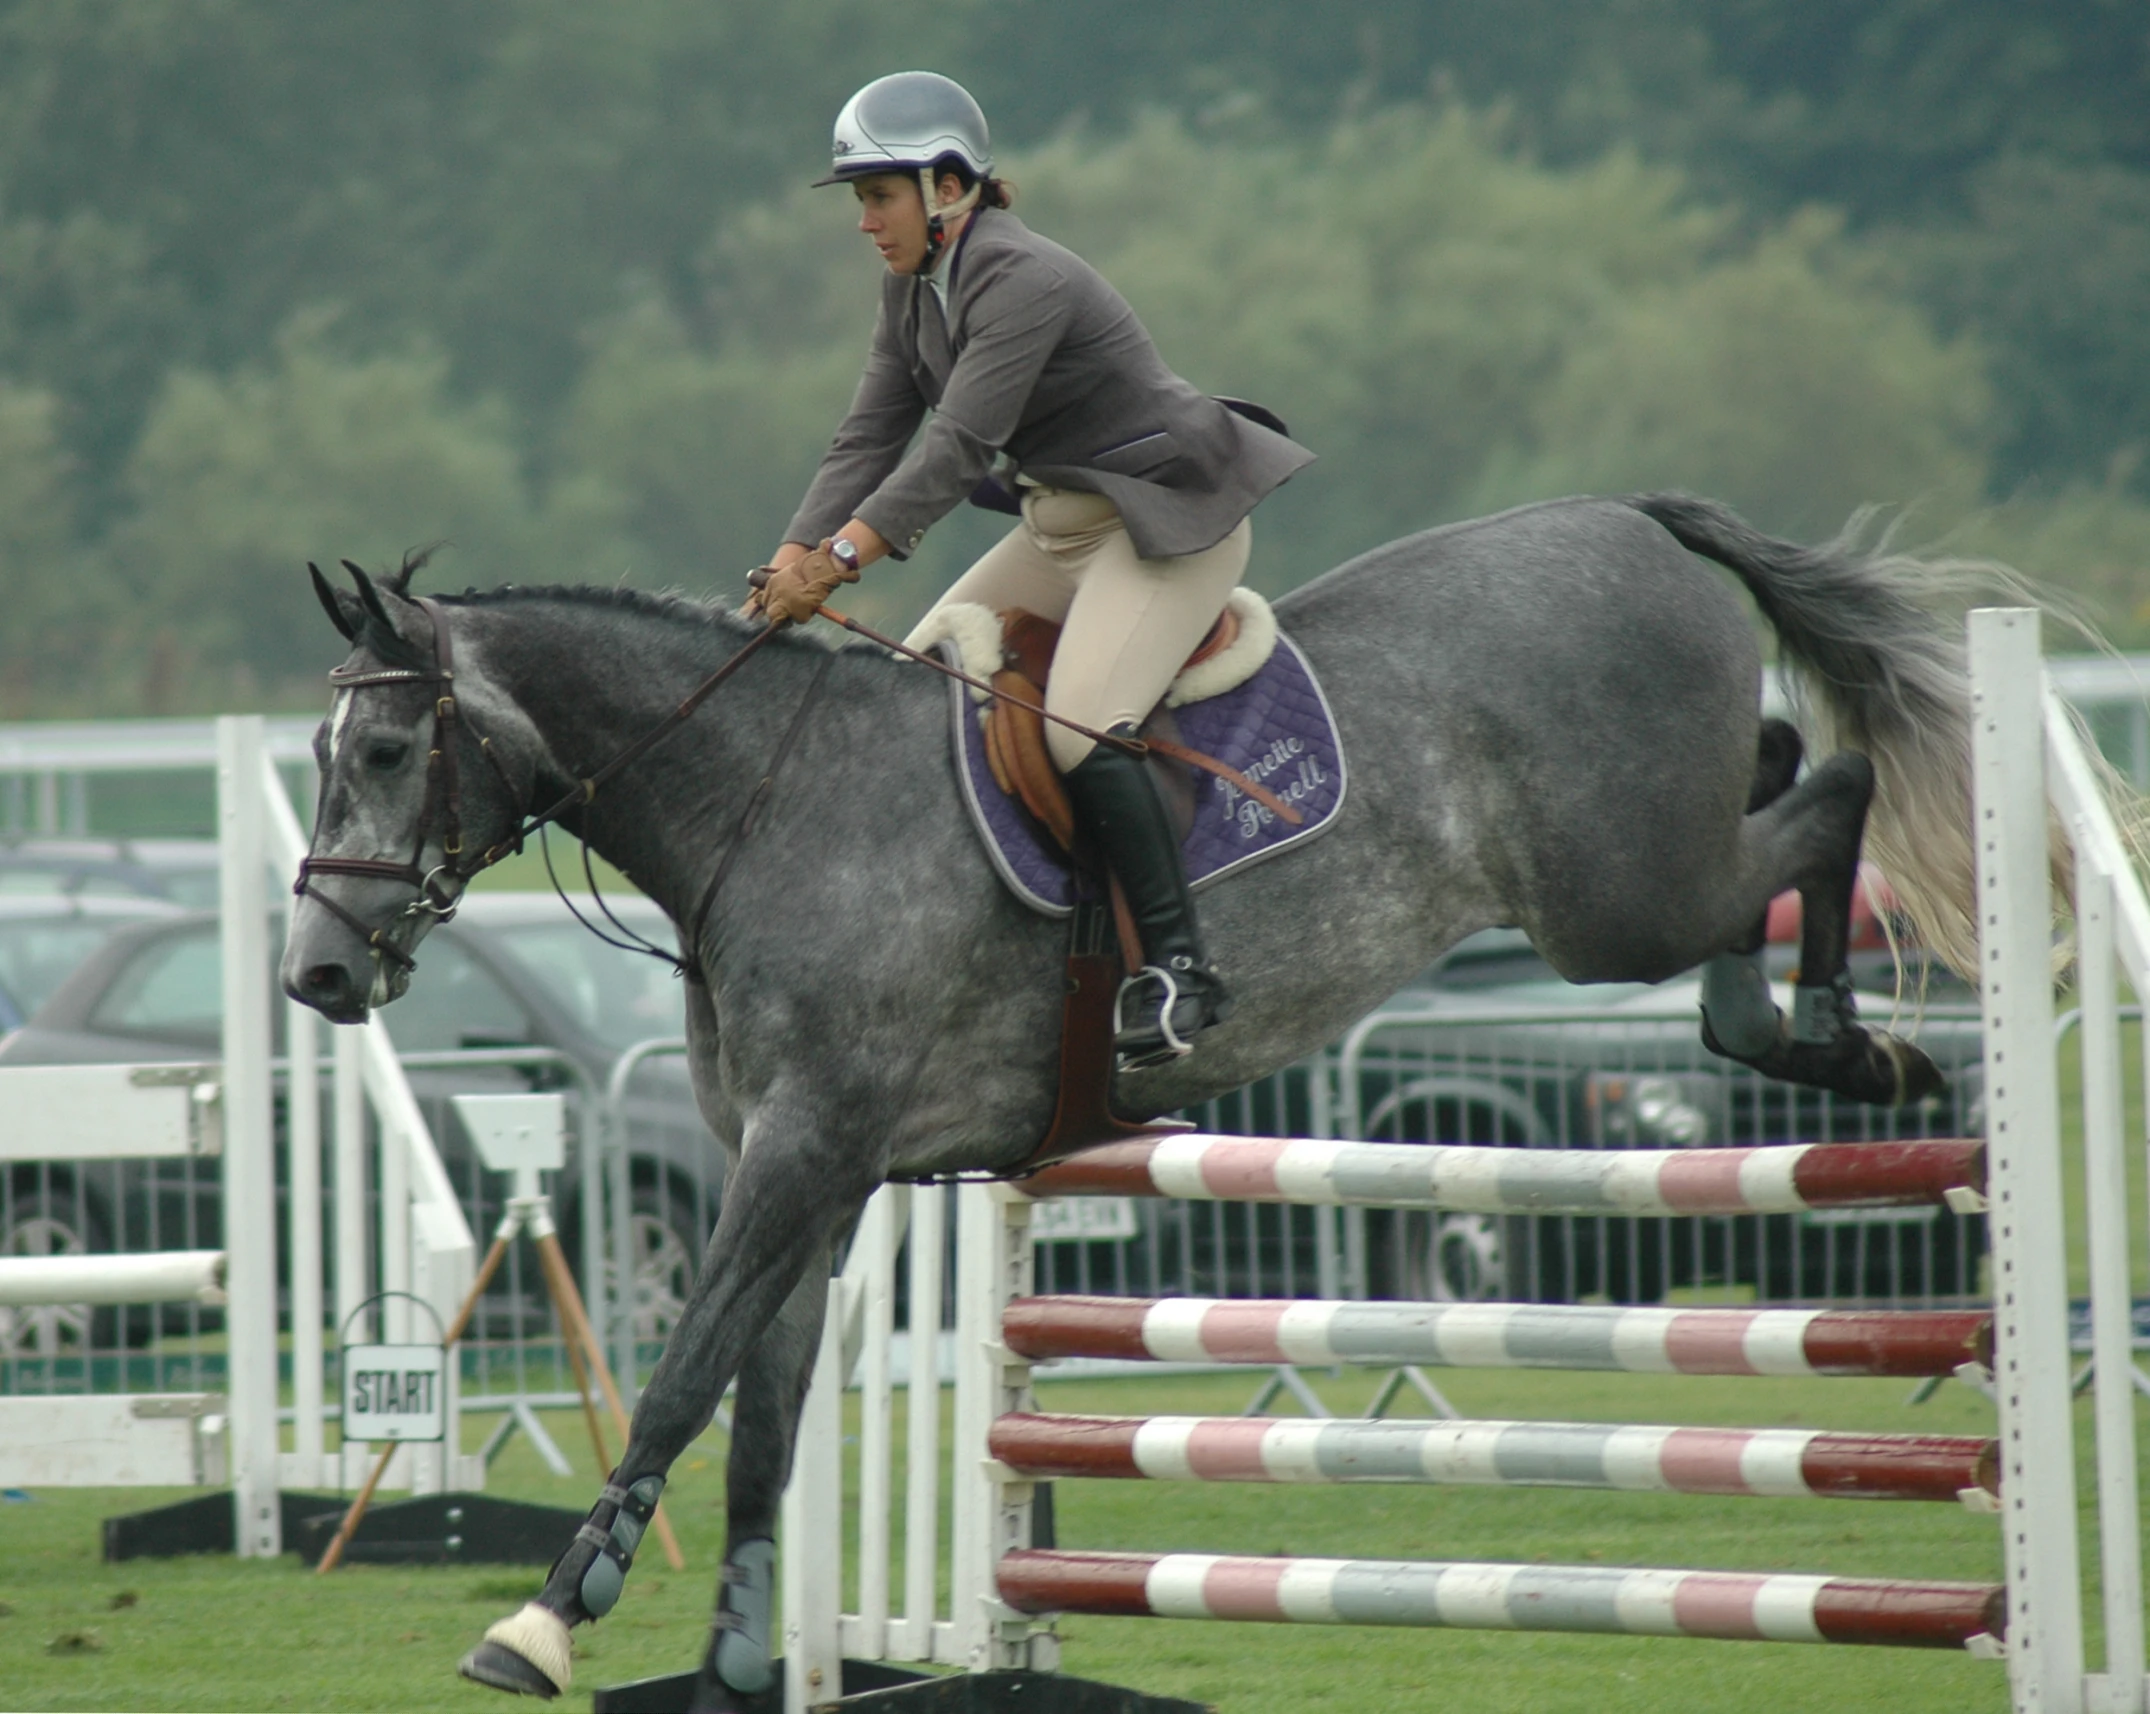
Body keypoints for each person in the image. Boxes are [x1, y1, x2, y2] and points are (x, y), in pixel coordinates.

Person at [750, 70, 1313, 1066]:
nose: (864, 221)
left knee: (1082, 728)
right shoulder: (912, 289)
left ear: (949, 188)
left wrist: (837, 563)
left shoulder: (1022, 278)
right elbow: (868, 435)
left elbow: (955, 446)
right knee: (916, 690)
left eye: (878, 196)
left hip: (1161, 527)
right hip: (1058, 532)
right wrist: (792, 552)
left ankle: (1177, 971)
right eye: (860, 199)